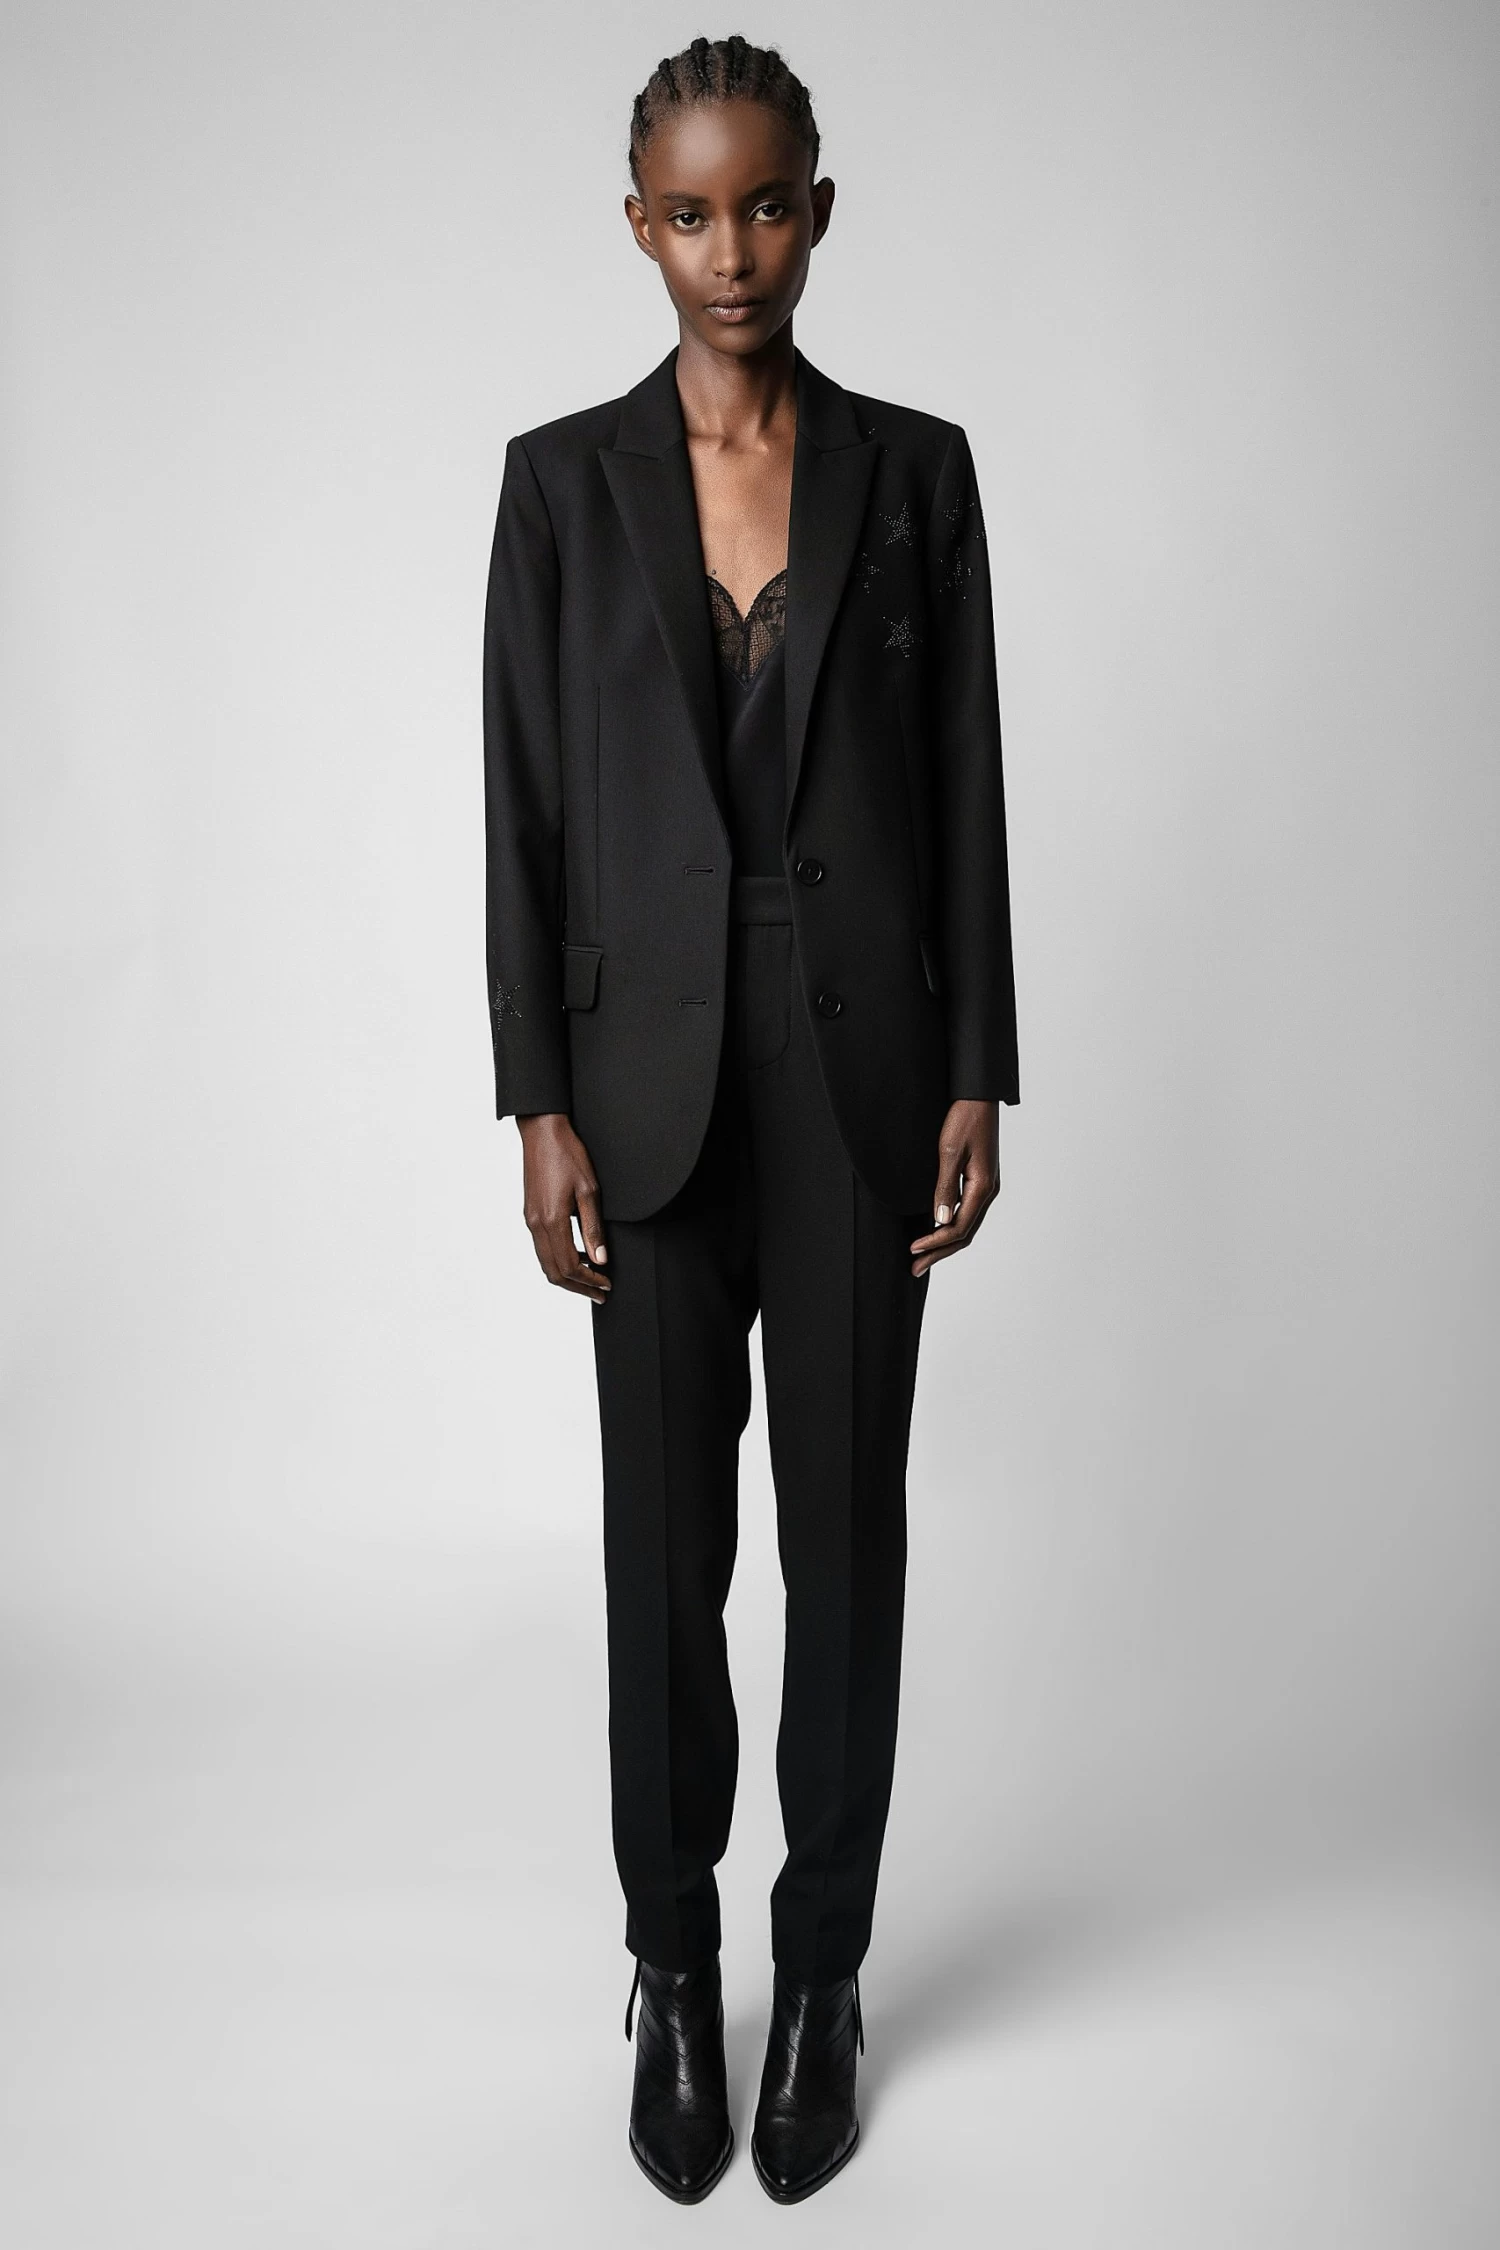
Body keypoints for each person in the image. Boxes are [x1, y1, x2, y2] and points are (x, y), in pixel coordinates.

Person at [482, 34, 1018, 2206]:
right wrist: (536, 1097)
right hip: (644, 1087)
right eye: (693, 213)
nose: (734, 252)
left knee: (845, 1548)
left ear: (820, 208)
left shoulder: (917, 473)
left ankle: (822, 1975)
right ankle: (674, 1961)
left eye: (768, 205)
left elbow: (967, 777)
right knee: (661, 1562)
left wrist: (981, 1059)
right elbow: (523, 812)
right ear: (639, 225)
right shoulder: (558, 486)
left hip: (864, 1069)